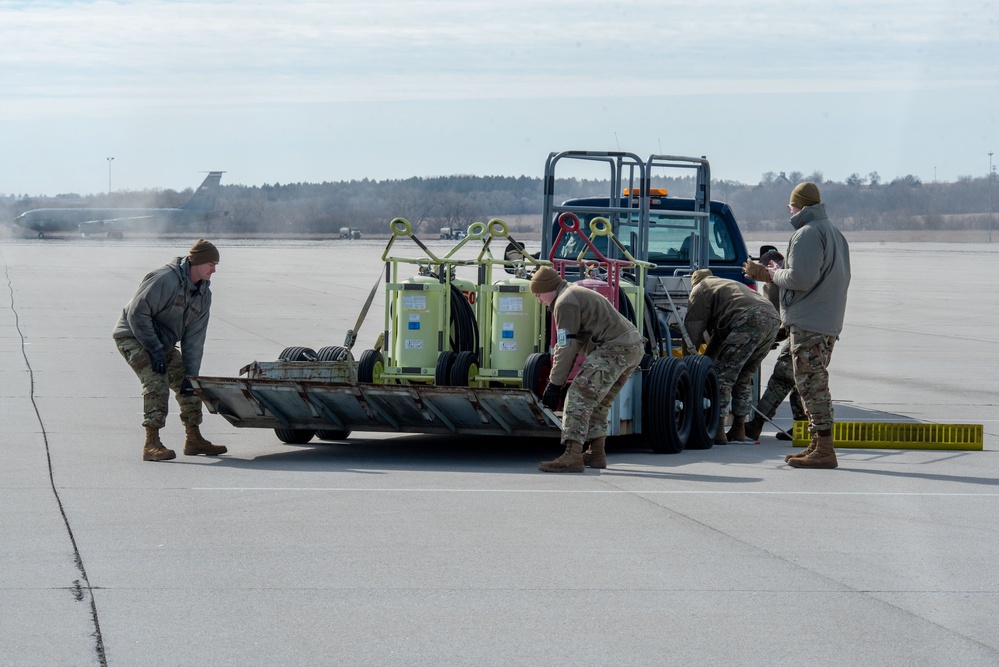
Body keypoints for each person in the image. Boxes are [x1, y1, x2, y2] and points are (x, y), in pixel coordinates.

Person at [743, 182, 851, 468]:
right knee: (809, 384)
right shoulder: (834, 234)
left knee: (812, 386)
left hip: (810, 322)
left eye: (791, 205)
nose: (788, 209)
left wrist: (770, 275)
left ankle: (825, 449)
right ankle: (817, 444)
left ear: (800, 206)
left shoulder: (807, 233)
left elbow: (801, 279)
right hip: (824, 320)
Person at [113, 240, 227, 461]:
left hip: (161, 342)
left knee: (189, 384)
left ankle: (193, 438)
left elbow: (195, 339)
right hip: (133, 336)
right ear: (198, 261)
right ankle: (151, 443)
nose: (214, 269)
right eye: (211, 264)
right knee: (157, 382)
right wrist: (154, 350)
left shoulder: (203, 294)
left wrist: (190, 374)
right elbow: (137, 314)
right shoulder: (165, 279)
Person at [531, 266, 645, 473]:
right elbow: (573, 344)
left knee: (578, 396)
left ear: (548, 288)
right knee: (598, 402)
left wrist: (555, 383)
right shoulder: (572, 294)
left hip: (615, 348)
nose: (539, 300)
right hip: (632, 347)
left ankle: (573, 455)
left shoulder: (565, 301)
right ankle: (596, 453)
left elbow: (566, 346)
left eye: (538, 294)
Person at [683, 269, 780, 444]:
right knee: (743, 376)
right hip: (772, 319)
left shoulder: (701, 288)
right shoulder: (725, 285)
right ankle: (738, 429)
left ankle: (718, 430)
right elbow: (719, 337)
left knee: (723, 377)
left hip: (750, 318)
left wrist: (687, 364)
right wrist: (707, 358)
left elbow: (692, 330)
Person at [744, 249, 806, 442]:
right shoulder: (796, 272)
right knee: (801, 380)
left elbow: (773, 317)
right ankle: (802, 426)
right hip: (815, 329)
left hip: (802, 332)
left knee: (783, 376)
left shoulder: (775, 282)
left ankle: (756, 424)